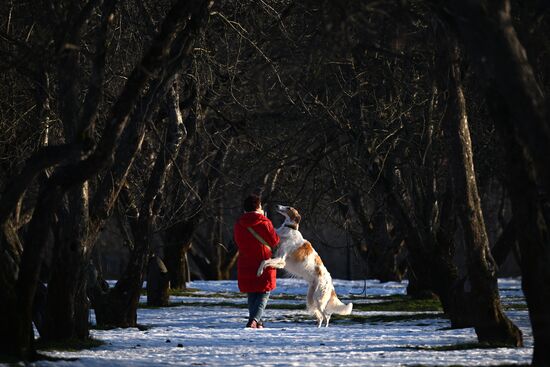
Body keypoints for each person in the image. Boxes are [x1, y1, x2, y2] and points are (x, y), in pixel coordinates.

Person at [233, 194, 280, 328]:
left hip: (246, 261)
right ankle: (253, 321)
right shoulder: (264, 222)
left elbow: (238, 241)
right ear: (259, 207)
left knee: (252, 292)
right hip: (263, 261)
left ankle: (257, 322)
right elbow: (275, 241)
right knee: (264, 293)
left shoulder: (239, 224)